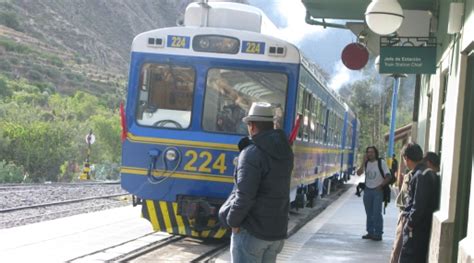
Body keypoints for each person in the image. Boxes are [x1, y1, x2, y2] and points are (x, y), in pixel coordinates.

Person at [218, 102, 294, 263]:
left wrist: (233, 221)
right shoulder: (285, 151)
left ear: (251, 126)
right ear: (271, 124)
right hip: (276, 232)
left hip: (252, 232)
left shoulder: (251, 153)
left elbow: (244, 195)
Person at [399, 143, 440, 263]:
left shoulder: (420, 175)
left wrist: (409, 224)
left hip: (416, 231)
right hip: (421, 229)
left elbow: (418, 204)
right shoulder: (426, 173)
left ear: (406, 158)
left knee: (408, 258)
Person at [356, 146, 392, 241]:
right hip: (367, 190)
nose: (370, 154)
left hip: (377, 191)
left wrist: (381, 185)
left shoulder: (381, 163)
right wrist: (363, 162)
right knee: (369, 213)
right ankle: (370, 232)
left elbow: (388, 176)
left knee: (376, 213)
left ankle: (378, 233)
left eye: (372, 152)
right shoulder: (366, 163)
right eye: (368, 152)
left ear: (375, 153)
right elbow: (358, 173)